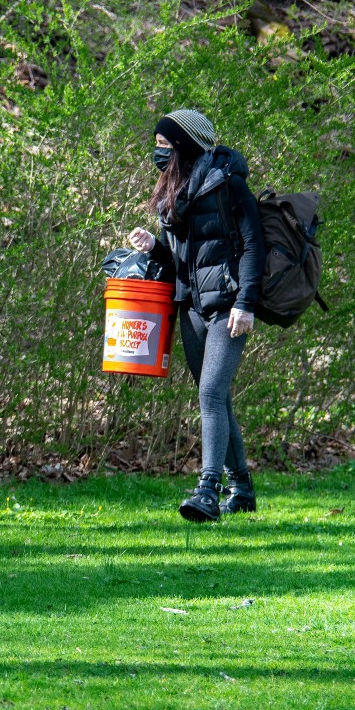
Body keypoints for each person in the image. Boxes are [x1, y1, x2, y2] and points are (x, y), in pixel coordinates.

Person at [128, 109, 264, 521]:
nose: (157, 153)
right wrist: (154, 244)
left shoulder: (229, 185)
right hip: (191, 309)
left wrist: (246, 303)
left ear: (185, 146)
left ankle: (208, 489)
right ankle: (241, 490)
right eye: (156, 145)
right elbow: (180, 261)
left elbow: (254, 245)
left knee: (209, 395)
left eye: (165, 146)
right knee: (216, 397)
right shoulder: (172, 197)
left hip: (228, 308)